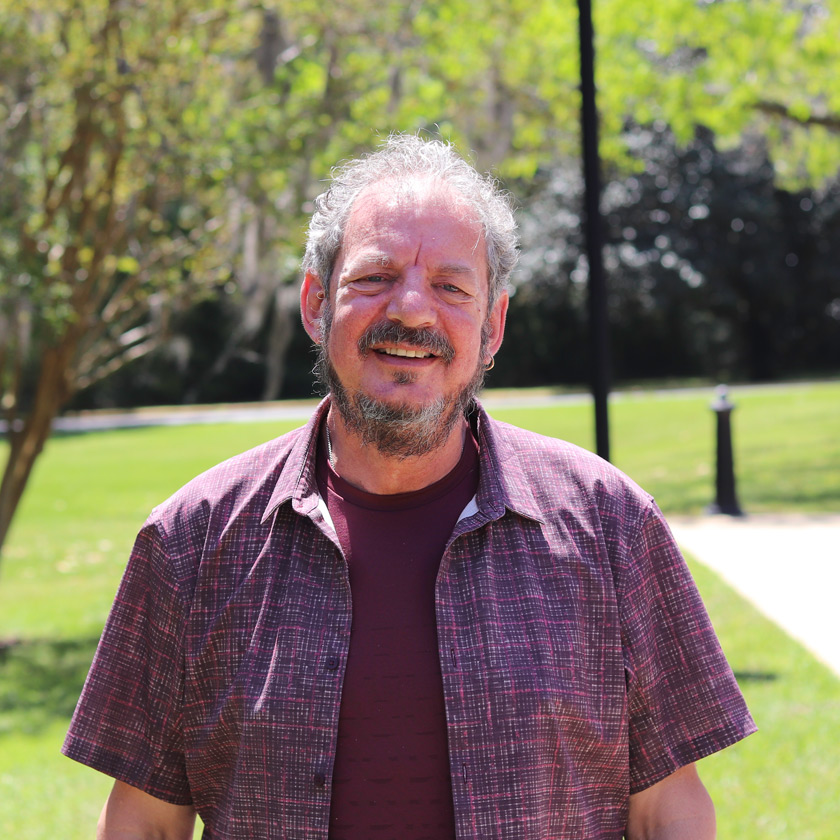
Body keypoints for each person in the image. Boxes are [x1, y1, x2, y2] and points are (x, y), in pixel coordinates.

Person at [64, 135, 755, 840]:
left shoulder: (612, 526)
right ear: (315, 302)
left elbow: (667, 807)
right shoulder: (192, 543)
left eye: (453, 287)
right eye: (374, 277)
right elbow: (144, 821)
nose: (415, 311)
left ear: (493, 326)